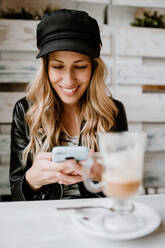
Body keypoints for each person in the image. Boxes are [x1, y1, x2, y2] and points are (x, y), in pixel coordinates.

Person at [10, 9, 128, 201]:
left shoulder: (113, 112)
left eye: (80, 67)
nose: (69, 80)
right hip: (46, 219)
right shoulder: (25, 111)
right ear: (46, 69)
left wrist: (102, 175)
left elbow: (123, 189)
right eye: (58, 67)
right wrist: (31, 180)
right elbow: (15, 195)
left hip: (96, 219)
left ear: (94, 68)